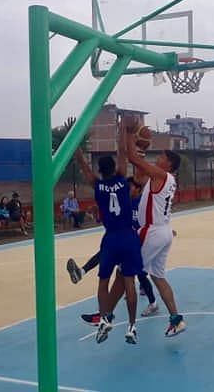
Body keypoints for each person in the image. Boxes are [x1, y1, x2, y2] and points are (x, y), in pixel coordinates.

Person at [74, 128, 143, 344]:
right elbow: (122, 151)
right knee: (129, 282)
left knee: (103, 281)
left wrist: (75, 140)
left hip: (111, 238)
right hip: (129, 237)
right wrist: (124, 129)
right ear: (114, 168)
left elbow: (82, 164)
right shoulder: (123, 179)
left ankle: (104, 318)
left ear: (100, 170)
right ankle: (131, 326)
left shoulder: (97, 184)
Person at [69, 176, 160, 320]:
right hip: (125, 243)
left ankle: (152, 303)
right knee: (107, 256)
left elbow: (152, 220)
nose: (127, 189)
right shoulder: (124, 202)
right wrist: (98, 214)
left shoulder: (142, 204)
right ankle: (82, 272)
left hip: (138, 243)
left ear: (137, 189)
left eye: (130, 187)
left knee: (140, 275)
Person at [126, 131, 186, 337]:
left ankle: (104, 315)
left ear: (168, 164)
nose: (157, 158)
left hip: (151, 231)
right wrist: (139, 149)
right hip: (164, 231)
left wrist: (127, 135)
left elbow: (133, 159)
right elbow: (138, 172)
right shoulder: (164, 178)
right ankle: (176, 320)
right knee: (158, 276)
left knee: (125, 269)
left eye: (161, 157)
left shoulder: (161, 175)